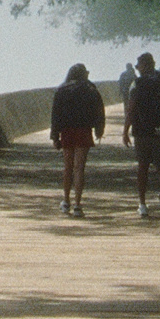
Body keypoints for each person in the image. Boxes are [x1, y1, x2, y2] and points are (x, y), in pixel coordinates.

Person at [122, 50, 160, 218]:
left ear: (144, 65)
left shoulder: (137, 83)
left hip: (142, 131)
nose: (137, 68)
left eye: (138, 65)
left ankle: (142, 204)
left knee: (143, 167)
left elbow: (131, 109)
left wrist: (125, 131)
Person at [50, 62, 107, 215]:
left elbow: (55, 115)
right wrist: (99, 130)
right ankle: (78, 205)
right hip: (84, 130)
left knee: (68, 167)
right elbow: (99, 111)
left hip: (67, 131)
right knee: (79, 168)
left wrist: (55, 136)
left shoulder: (62, 89)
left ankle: (66, 200)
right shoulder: (90, 89)